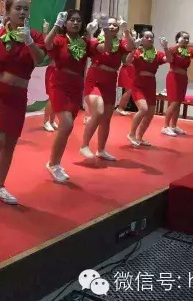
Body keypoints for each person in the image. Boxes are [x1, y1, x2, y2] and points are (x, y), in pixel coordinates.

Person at [0, 0, 45, 206]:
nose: (22, 12)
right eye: (18, 8)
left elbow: (39, 59)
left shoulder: (35, 35)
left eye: (26, 9)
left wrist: (29, 41)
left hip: (18, 96)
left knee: (10, 143)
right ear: (8, 12)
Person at [81, 15, 135, 161]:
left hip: (110, 81)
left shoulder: (121, 43)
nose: (112, 26)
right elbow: (106, 47)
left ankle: (101, 150)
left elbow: (131, 47)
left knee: (106, 119)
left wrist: (126, 30)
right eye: (109, 24)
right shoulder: (95, 41)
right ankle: (84, 145)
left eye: (115, 25)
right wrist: (99, 30)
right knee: (98, 111)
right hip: (95, 79)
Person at [44, 9, 88, 183]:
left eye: (78, 20)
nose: (75, 23)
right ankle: (53, 164)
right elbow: (47, 44)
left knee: (67, 127)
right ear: (66, 22)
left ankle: (55, 162)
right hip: (59, 83)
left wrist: (104, 29)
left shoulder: (84, 42)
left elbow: (105, 49)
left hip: (76, 86)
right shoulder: (60, 39)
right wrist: (56, 25)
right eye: (72, 20)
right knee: (67, 123)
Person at [162, 31, 193, 136]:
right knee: (174, 102)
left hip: (183, 78)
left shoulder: (189, 51)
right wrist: (178, 44)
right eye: (184, 38)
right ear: (178, 39)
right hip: (173, 77)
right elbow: (169, 53)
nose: (186, 40)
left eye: (187, 38)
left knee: (179, 102)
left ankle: (173, 126)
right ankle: (165, 126)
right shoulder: (174, 49)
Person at [127, 31, 171, 146]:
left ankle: (139, 137)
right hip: (138, 84)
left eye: (152, 37)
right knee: (143, 109)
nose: (150, 39)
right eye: (147, 37)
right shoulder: (138, 51)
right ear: (142, 39)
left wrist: (165, 47)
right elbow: (127, 61)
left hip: (151, 84)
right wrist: (134, 48)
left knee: (150, 113)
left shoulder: (157, 53)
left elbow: (170, 59)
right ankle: (131, 134)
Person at [42, 19, 59, 132]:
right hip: (53, 71)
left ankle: (52, 120)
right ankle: (45, 121)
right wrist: (45, 30)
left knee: (57, 98)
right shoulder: (54, 40)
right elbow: (45, 43)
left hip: (61, 72)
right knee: (52, 97)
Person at [115, 30, 137, 115]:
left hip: (132, 69)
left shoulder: (132, 43)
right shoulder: (124, 43)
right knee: (129, 90)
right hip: (127, 68)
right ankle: (120, 108)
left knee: (129, 90)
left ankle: (122, 107)